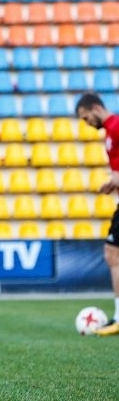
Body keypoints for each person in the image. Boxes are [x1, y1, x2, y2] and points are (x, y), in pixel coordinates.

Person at [76, 92, 119, 336]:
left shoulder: (116, 127)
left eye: (85, 118)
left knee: (113, 254)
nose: (87, 124)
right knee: (113, 254)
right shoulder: (110, 132)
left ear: (95, 108)